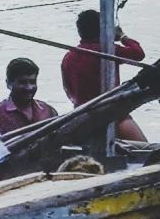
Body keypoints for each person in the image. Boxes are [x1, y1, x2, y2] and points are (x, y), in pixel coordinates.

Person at [62, 10, 148, 142]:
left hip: (81, 114)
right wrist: (122, 36)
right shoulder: (107, 50)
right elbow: (138, 54)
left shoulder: (69, 57)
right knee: (145, 151)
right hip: (112, 112)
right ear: (104, 29)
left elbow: (68, 90)